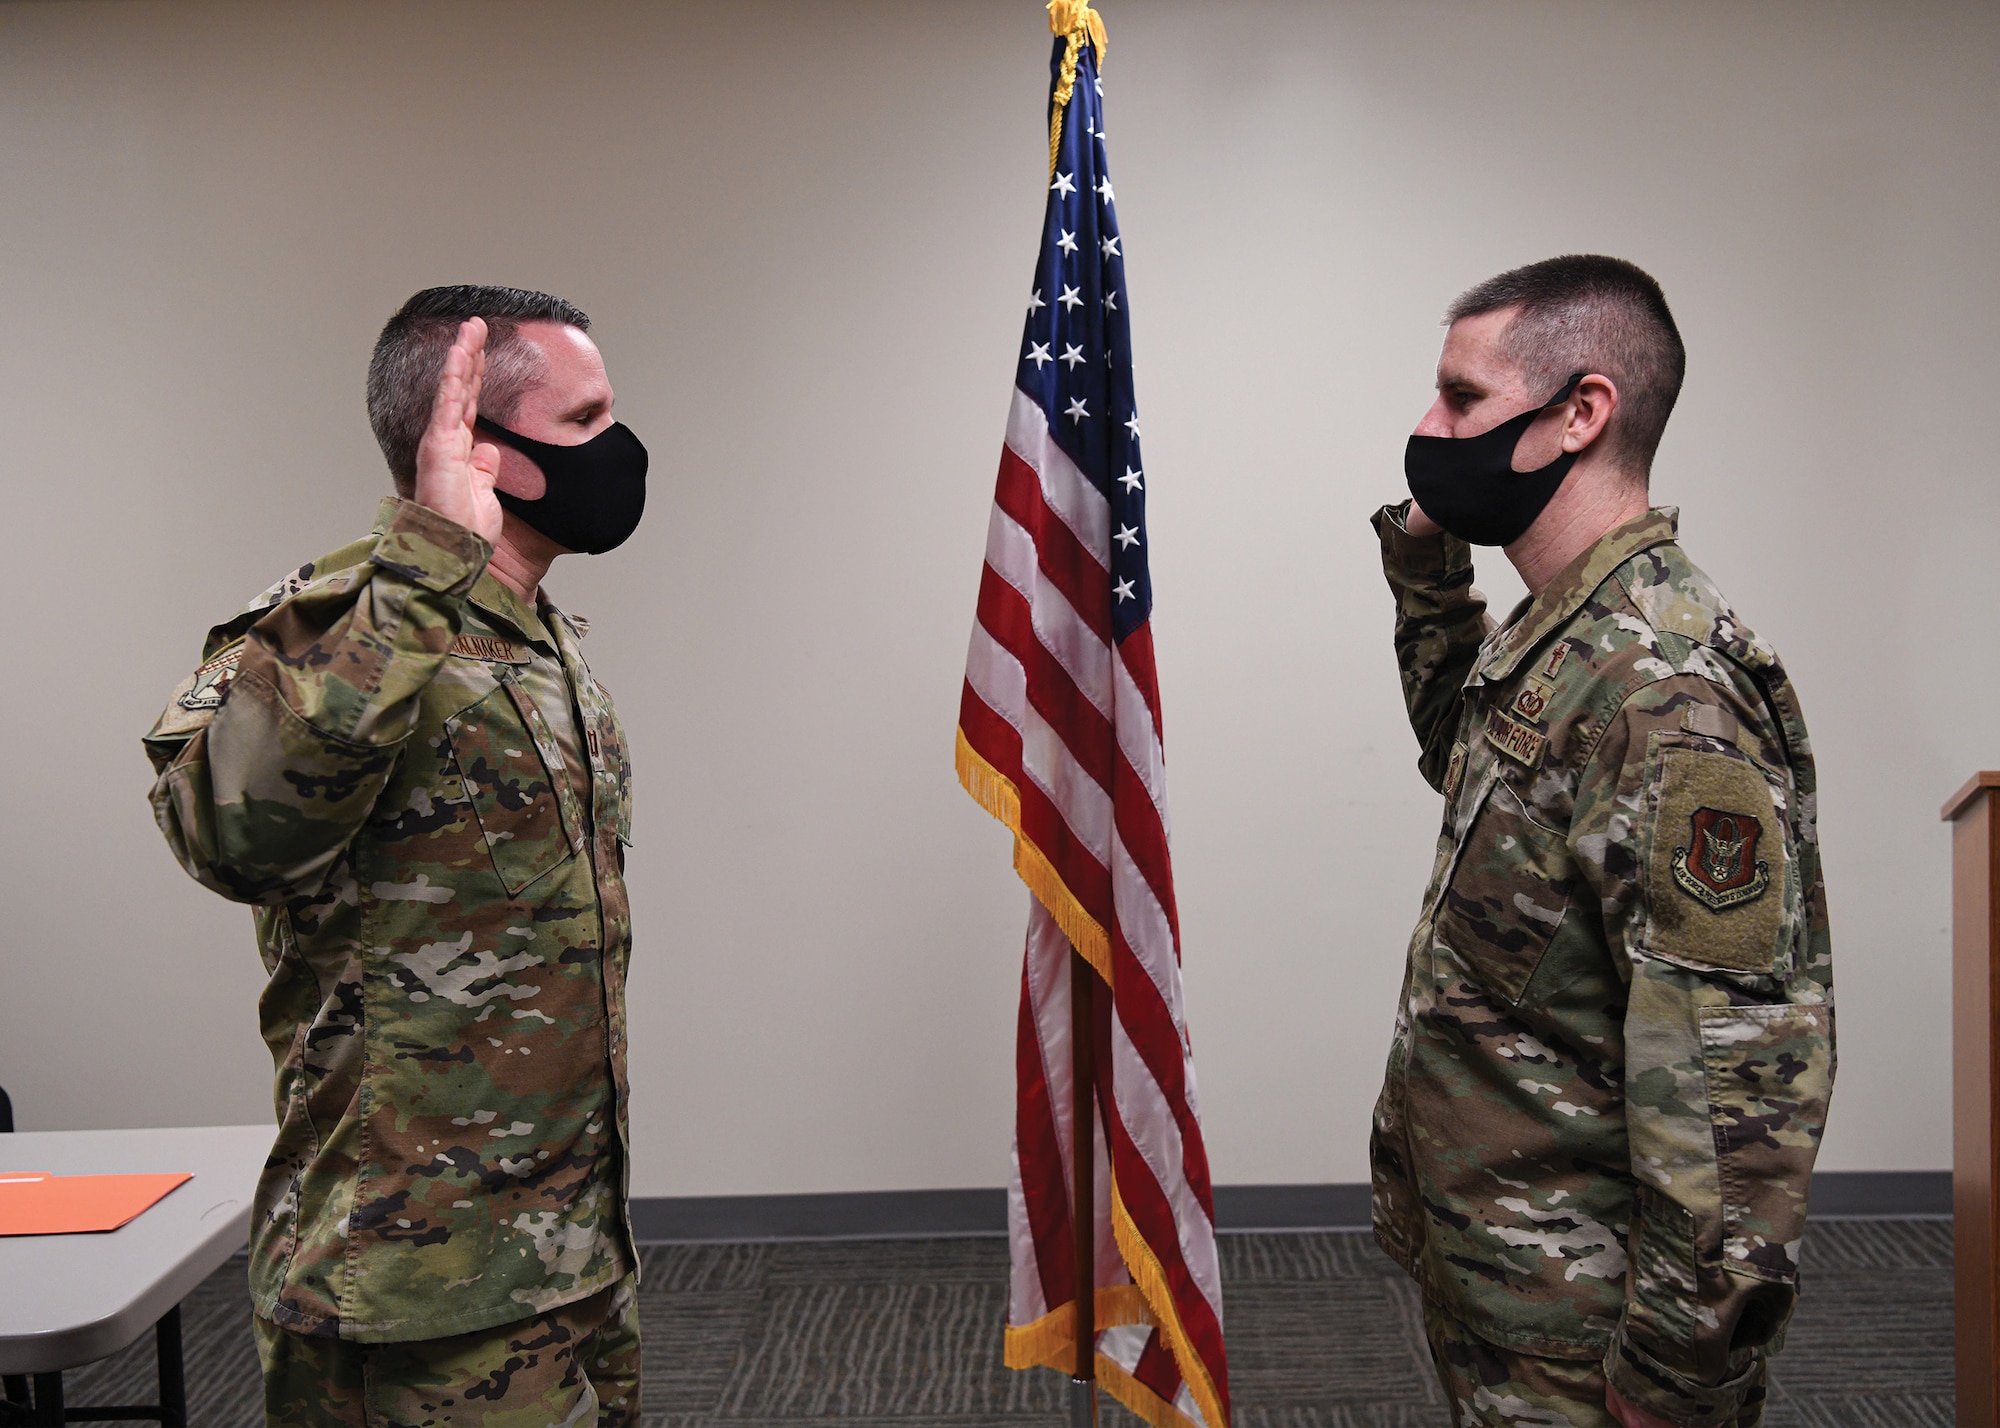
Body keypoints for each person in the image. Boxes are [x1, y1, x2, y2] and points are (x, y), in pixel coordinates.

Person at [143, 286, 651, 1426]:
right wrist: (424, 568)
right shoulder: (341, 621)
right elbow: (228, 834)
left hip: (567, 1253)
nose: (617, 449)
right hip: (409, 1287)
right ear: (480, 446)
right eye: (585, 420)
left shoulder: (539, 644)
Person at [1367, 256, 1834, 1428]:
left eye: (1461, 400)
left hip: (1590, 1332)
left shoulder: (1663, 688)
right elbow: (1467, 766)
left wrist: (1674, 1382)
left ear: (1578, 413)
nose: (1426, 429)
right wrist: (1425, 565)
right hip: (1512, 1274)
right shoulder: (1566, 638)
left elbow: (1731, 1082)